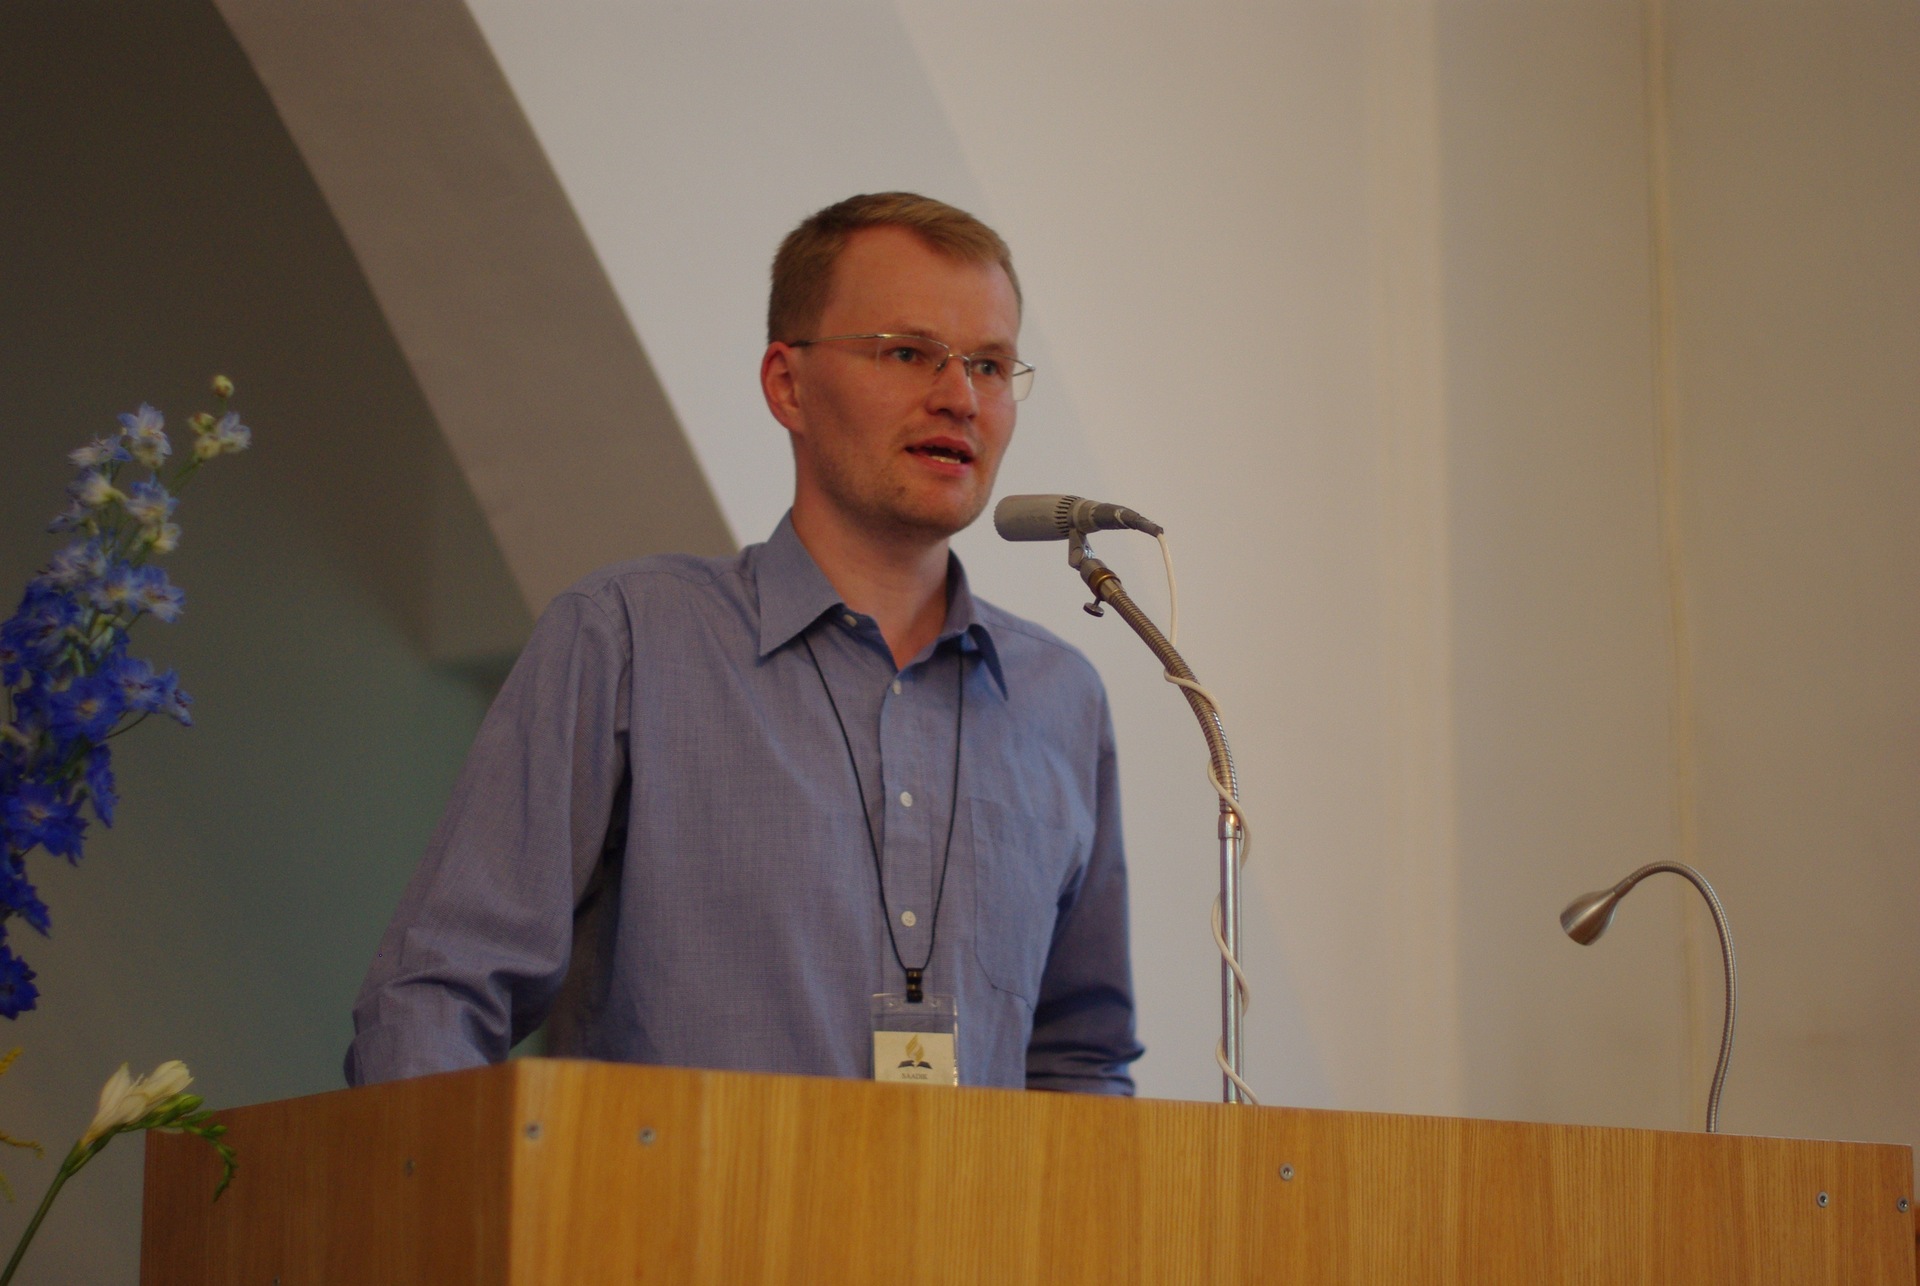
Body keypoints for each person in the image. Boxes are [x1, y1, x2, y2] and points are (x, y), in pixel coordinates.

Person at [345, 192, 1143, 1093]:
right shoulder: (628, 638)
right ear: (787, 385)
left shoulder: (1059, 698)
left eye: (990, 366)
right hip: (676, 1189)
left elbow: (1081, 1062)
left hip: (967, 1197)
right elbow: (435, 996)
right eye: (908, 352)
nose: (959, 398)